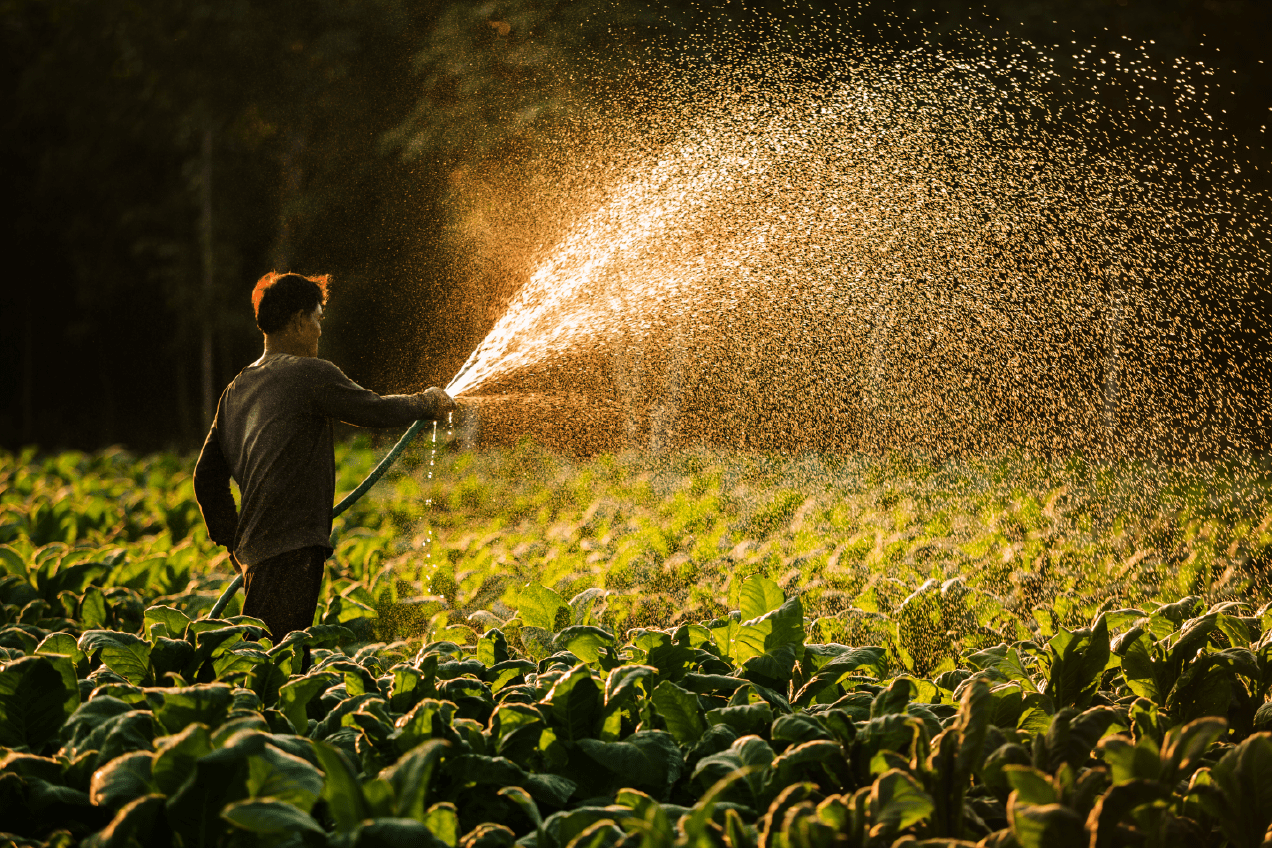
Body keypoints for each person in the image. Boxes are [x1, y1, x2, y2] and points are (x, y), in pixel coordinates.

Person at [194, 271, 455, 642]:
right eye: (317, 319)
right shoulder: (307, 373)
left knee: (272, 652)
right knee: (275, 658)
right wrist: (426, 403)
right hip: (292, 548)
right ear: (299, 319)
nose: (319, 330)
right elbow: (372, 410)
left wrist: (233, 540)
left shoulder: (236, 389)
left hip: (260, 550)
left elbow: (205, 477)